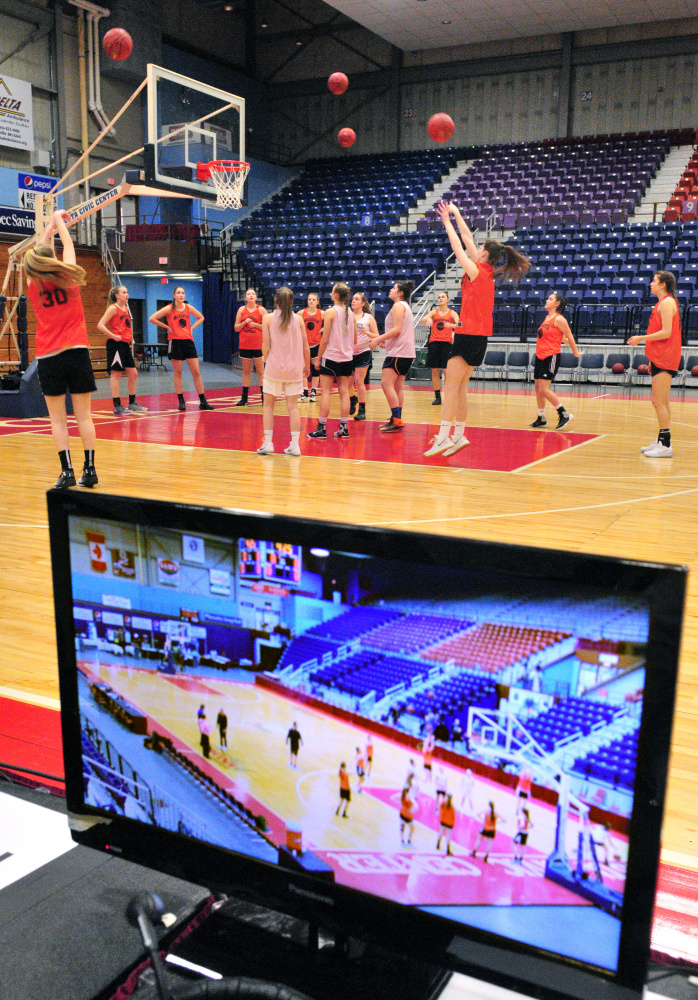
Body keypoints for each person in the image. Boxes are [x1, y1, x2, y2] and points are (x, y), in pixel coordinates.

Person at [425, 202, 530, 457]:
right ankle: (459, 435)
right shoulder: (485, 270)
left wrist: (447, 222)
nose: (476, 248)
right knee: (460, 389)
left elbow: (458, 247)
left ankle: (443, 436)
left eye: (479, 248)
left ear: (483, 254)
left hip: (468, 336)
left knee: (450, 387)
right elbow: (468, 239)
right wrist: (457, 214)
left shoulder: (476, 272)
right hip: (478, 337)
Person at [24, 209, 98, 489]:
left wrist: (48, 228)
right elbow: (66, 246)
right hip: (76, 350)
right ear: (52, 259)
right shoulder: (69, 279)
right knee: (84, 417)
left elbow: (40, 253)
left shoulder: (33, 285)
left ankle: (66, 472)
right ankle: (89, 470)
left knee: (58, 420)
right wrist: (58, 220)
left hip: (48, 356)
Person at [628, 270, 681, 458]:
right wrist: (652, 358)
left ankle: (665, 445)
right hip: (661, 356)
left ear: (663, 284)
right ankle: (661, 440)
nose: (651, 284)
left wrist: (640, 338)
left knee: (657, 401)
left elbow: (666, 332)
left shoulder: (666, 303)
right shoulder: (662, 303)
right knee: (663, 401)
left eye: (654, 281)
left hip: (666, 356)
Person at [258, 286, 310, 456]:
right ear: (292, 301)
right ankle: (295, 445)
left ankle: (267, 443)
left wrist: (264, 358)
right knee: (293, 407)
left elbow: (266, 345)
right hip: (294, 368)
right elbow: (306, 346)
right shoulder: (299, 319)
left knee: (268, 406)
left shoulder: (267, 318)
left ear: (275, 300)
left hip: (274, 367)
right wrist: (307, 365)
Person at [149, 286, 214, 411]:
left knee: (196, 372)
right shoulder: (169, 308)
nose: (181, 295)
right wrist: (166, 327)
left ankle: (203, 400)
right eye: (178, 293)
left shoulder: (188, 307)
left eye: (183, 293)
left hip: (188, 341)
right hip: (175, 342)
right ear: (174, 295)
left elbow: (201, 317)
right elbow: (152, 318)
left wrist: (192, 328)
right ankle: (181, 400)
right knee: (178, 372)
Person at [308, 282, 356, 440]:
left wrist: (318, 358)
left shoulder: (330, 312)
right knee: (344, 392)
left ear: (336, 295)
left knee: (326, 392)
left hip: (331, 357)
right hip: (347, 358)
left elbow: (325, 339)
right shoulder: (351, 312)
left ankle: (321, 428)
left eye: (332, 291)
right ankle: (344, 427)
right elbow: (354, 338)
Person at [369, 280, 416, 433]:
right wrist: (387, 342)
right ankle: (397, 418)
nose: (391, 289)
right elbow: (399, 332)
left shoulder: (398, 305)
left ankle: (396, 420)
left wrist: (378, 339)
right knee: (397, 386)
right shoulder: (405, 307)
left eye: (394, 288)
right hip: (405, 352)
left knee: (386, 384)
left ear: (400, 293)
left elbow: (397, 329)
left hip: (399, 352)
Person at [529, 292, 581, 429]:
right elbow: (557, 334)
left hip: (550, 356)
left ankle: (563, 413)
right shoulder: (547, 317)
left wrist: (575, 352)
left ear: (557, 304)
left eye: (550, 299)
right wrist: (562, 339)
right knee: (538, 388)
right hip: (540, 355)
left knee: (544, 389)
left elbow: (569, 335)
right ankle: (541, 417)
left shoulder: (559, 319)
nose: (547, 300)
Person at [96, 285, 147, 416]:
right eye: (124, 292)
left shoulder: (125, 308)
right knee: (116, 375)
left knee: (133, 373)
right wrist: (113, 336)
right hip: (116, 344)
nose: (127, 294)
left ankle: (132, 402)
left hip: (125, 345)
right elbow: (100, 325)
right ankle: (117, 406)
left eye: (127, 292)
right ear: (117, 296)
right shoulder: (113, 308)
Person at [420, 292, 459, 405]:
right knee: (435, 371)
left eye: (443, 297)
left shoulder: (452, 313)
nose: (441, 298)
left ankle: (448, 395)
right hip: (434, 344)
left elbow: (460, 324)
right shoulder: (434, 312)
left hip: (446, 344)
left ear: (448, 299)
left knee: (447, 371)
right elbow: (422, 320)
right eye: (439, 297)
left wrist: (450, 325)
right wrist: (427, 319)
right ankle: (437, 396)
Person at [234, 288, 267, 407]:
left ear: (256, 297)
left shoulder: (261, 310)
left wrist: (255, 325)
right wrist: (244, 323)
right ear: (245, 298)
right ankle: (244, 398)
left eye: (253, 294)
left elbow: (268, 327)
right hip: (245, 345)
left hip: (258, 345)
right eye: (249, 294)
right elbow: (236, 328)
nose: (251, 295)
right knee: (246, 371)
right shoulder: (241, 310)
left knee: (260, 372)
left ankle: (264, 397)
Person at [350, 293, 378, 421]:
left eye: (357, 299)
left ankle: (362, 409)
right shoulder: (347, 317)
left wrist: (367, 333)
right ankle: (352, 399)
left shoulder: (368, 317)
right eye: (353, 299)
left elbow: (377, 336)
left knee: (358, 381)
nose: (353, 301)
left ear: (363, 304)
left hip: (363, 352)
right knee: (347, 382)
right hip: (349, 352)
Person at [298, 291, 323, 402]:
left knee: (315, 369)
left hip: (316, 344)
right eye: (309, 299)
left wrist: (324, 329)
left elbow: (333, 322)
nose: (311, 301)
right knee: (303, 369)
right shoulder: (301, 313)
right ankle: (304, 392)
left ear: (317, 302)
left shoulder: (322, 313)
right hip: (304, 345)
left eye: (313, 299)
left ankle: (313, 391)